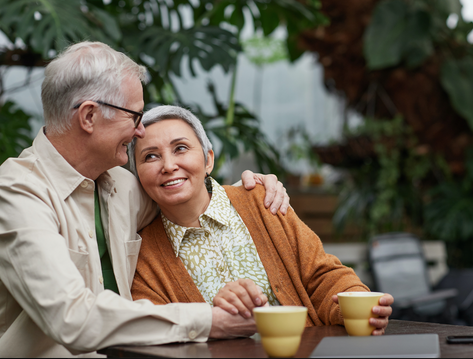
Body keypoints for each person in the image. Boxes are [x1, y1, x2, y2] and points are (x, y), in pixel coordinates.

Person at [0, 41, 290, 357]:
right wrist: (209, 320)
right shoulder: (15, 193)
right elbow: (71, 317)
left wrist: (249, 192)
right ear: (89, 116)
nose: (140, 131)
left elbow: (188, 199)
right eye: (134, 115)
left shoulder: (123, 186)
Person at [129, 105, 394, 333]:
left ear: (208, 159)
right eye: (150, 156)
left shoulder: (262, 200)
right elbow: (157, 331)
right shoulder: (142, 256)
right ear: (137, 174)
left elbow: (321, 274)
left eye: (181, 148)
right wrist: (212, 316)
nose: (168, 165)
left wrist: (354, 305)